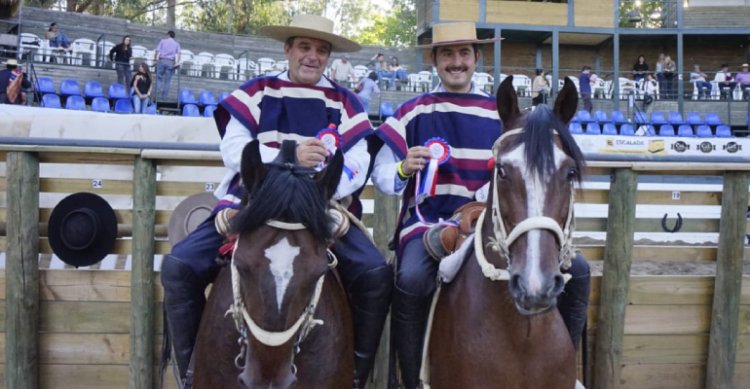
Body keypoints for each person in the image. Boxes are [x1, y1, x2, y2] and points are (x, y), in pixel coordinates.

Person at [161, 15, 392, 389]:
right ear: (287, 49)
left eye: (321, 50)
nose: (312, 56)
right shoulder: (256, 92)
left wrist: (319, 190)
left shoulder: (347, 102)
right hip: (251, 200)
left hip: (321, 206)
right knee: (179, 267)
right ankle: (192, 373)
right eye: (304, 46)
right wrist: (290, 154)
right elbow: (235, 150)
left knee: (374, 276)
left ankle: (354, 377)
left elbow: (359, 161)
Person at [374, 21, 590, 389]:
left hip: (494, 224)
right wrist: (401, 167)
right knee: (410, 279)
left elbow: (528, 174)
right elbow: (381, 175)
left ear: (476, 58)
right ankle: (409, 379)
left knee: (580, 272)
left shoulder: (504, 115)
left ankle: (564, 371)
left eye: (463, 54)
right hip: (429, 224)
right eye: (447, 54)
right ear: (434, 60)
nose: (456, 62)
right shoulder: (412, 111)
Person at [153, 30, 181, 98]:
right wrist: (177, 62)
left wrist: (155, 59)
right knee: (167, 81)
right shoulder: (176, 44)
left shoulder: (163, 41)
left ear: (168, 35)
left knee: (159, 78)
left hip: (162, 60)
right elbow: (179, 54)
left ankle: (156, 96)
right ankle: (164, 97)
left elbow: (157, 51)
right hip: (170, 62)